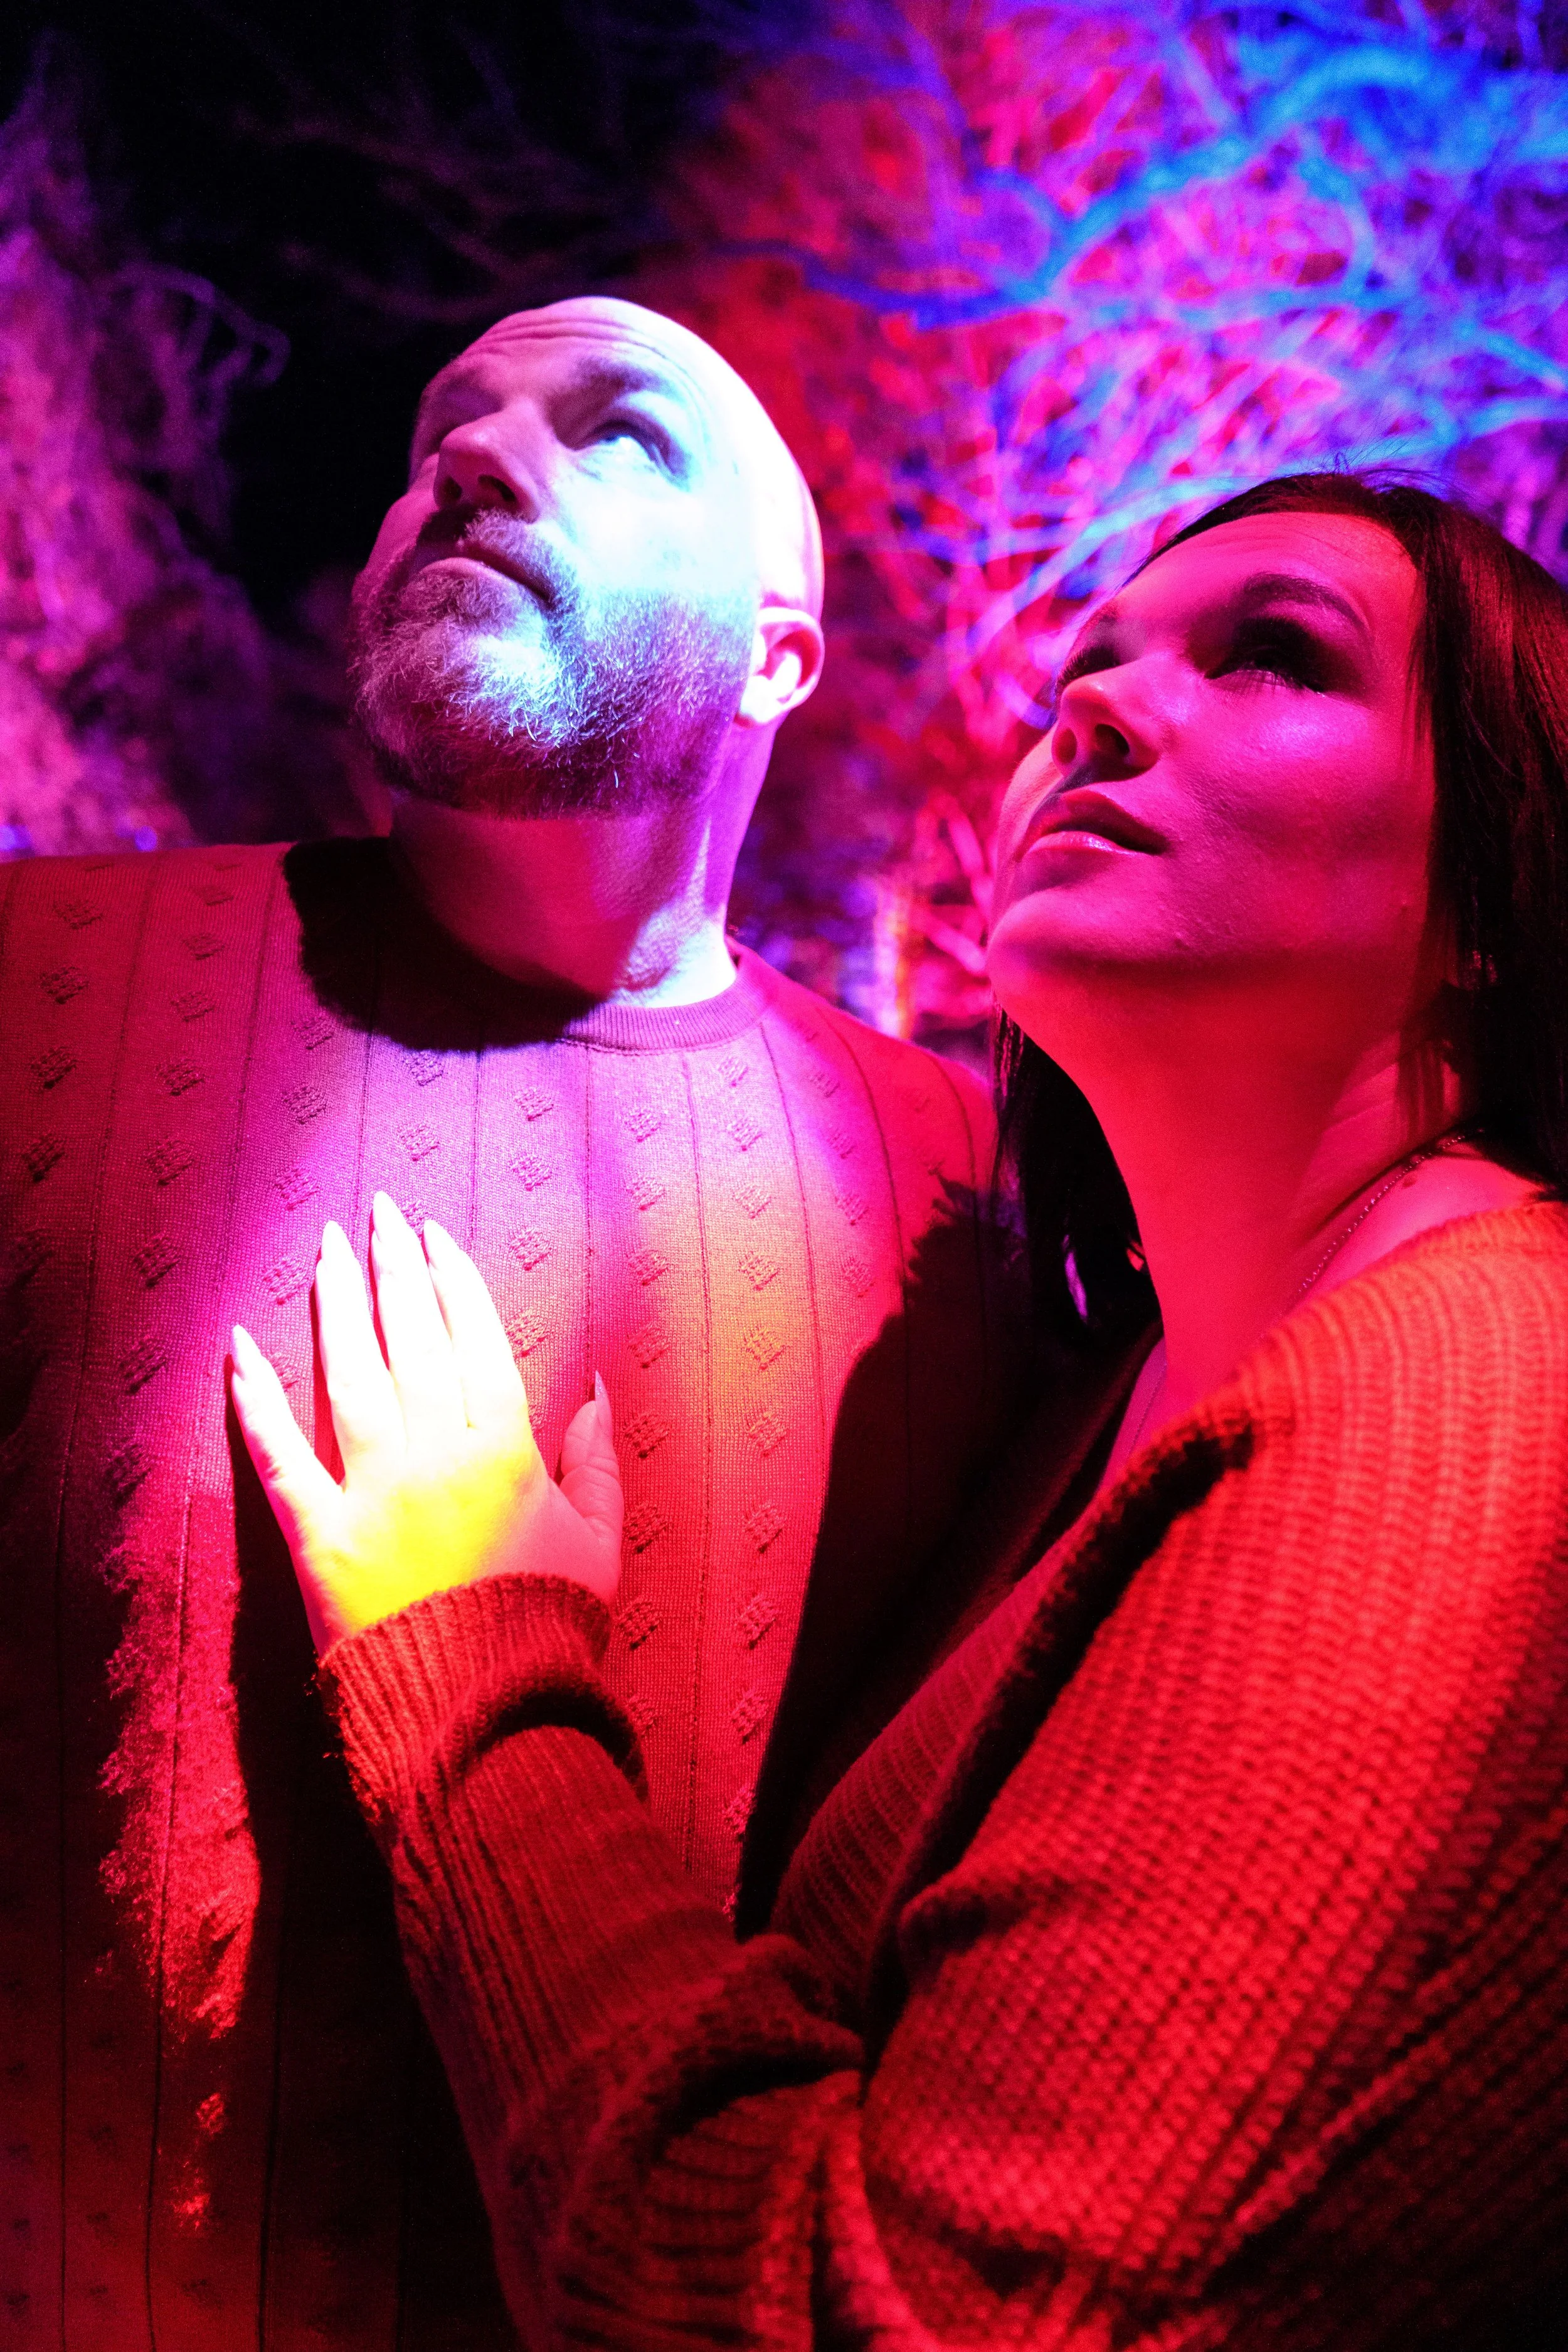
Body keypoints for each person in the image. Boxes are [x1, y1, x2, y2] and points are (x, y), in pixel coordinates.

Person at [235, 472, 1568, 2349]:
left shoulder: (1475, 1419)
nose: (1093, 707)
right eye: (1084, 670)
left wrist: (476, 1663)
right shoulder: (1092, 1405)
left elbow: (897, 2313)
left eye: (1273, 655)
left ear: (1502, 885)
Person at [0, 299, 1021, 2347]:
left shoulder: (967, 1206)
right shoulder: (41, 988)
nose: (466, 462)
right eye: (440, 432)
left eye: (615, 430)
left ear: (777, 649)